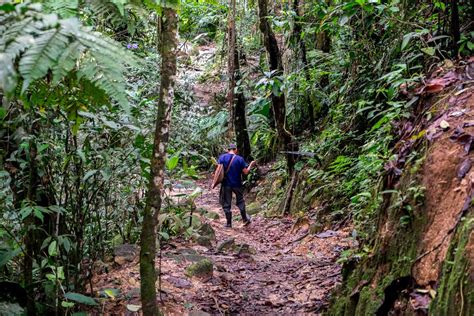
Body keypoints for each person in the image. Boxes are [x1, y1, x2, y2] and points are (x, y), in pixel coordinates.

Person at [217, 143, 256, 228]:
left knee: (227, 203)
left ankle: (229, 223)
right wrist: (250, 165)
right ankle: (245, 219)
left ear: (228, 150)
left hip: (226, 184)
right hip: (237, 184)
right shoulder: (240, 159)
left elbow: (218, 171)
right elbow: (245, 172)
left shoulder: (222, 157)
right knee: (240, 201)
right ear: (236, 150)